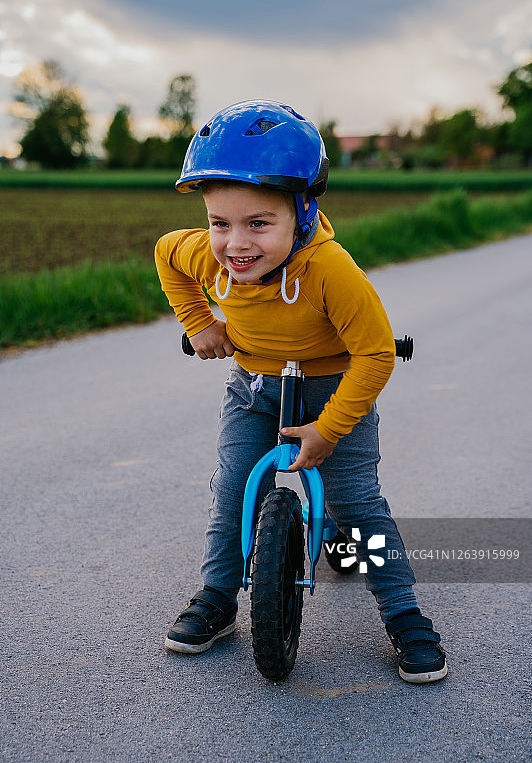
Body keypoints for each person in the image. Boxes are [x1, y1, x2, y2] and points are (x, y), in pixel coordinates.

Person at [154, 100, 447, 684]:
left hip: (333, 390)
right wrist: (199, 325)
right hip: (253, 387)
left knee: (355, 502)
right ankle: (217, 597)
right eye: (220, 223)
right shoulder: (212, 258)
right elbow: (166, 251)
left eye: (258, 223)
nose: (235, 244)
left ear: (304, 211)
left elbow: (375, 353)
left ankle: (404, 614)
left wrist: (329, 429)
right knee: (234, 485)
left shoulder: (329, 270)